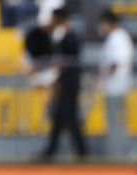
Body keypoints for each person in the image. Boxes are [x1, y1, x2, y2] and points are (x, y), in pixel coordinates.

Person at [39, 7, 86, 160]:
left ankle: (81, 152)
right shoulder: (59, 35)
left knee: (68, 118)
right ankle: (55, 151)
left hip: (71, 84)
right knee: (61, 118)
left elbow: (70, 56)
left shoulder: (71, 35)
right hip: (63, 83)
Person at [97, 9, 134, 158]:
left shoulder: (118, 38)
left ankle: (119, 155)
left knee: (117, 124)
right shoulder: (115, 38)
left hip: (117, 87)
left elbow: (116, 63)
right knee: (114, 123)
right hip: (113, 87)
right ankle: (117, 153)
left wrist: (102, 77)